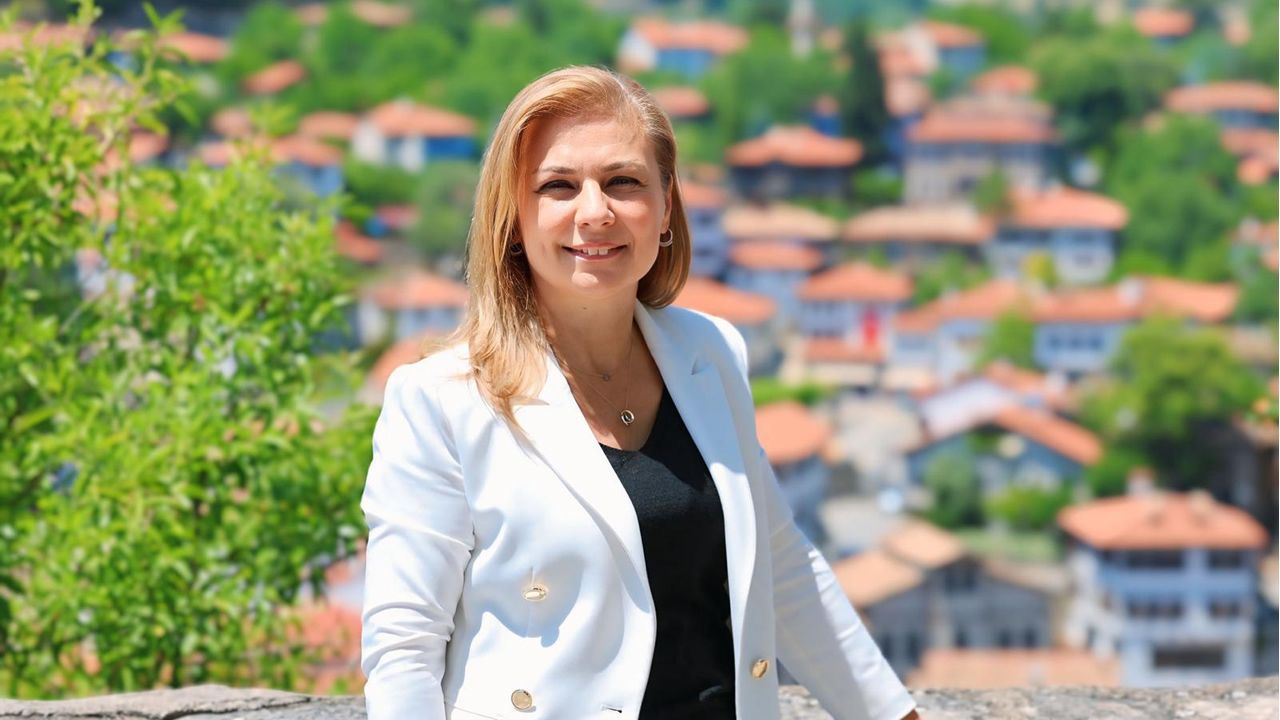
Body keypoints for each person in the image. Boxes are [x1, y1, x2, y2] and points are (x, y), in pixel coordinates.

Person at [360, 65, 921, 720]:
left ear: (664, 207)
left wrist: (896, 715)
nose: (594, 212)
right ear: (512, 219)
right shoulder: (442, 399)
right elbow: (404, 649)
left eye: (623, 182)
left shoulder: (711, 353)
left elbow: (780, 564)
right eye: (558, 186)